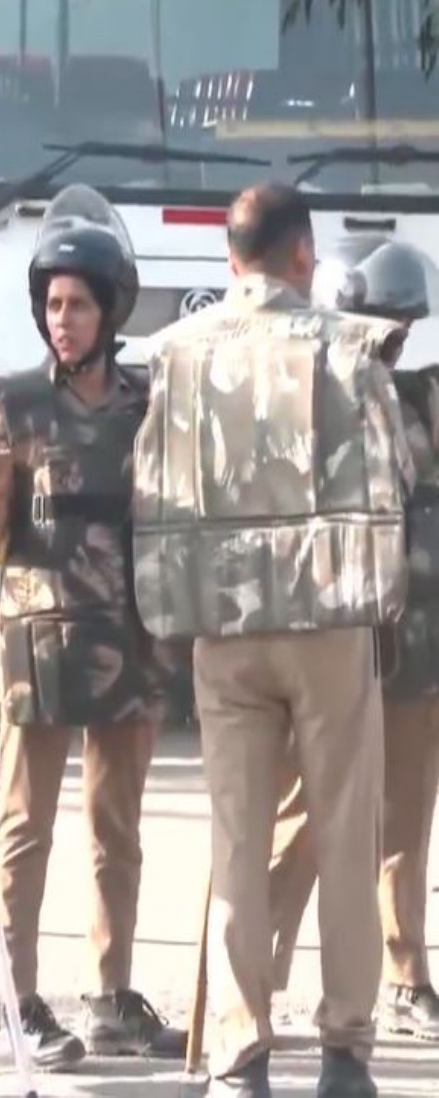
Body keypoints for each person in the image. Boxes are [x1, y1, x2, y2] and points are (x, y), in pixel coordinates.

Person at [131, 182, 414, 1098]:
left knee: (235, 841)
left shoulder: (177, 353)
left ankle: (239, 1054)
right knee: (343, 830)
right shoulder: (350, 346)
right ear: (305, 253)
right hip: (331, 620)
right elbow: (395, 473)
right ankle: (343, 1051)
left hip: (224, 627)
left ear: (229, 258)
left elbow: (150, 481)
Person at [0, 186, 186, 1070]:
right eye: (52, 304)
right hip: (37, 646)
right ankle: (19, 1002)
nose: (63, 320)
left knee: (116, 827)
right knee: (25, 828)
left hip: (127, 638)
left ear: (111, 308)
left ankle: (115, 999)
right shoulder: (14, 406)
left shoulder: (147, 407)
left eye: (78, 304)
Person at [267, 235, 439, 1044]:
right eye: (381, 325)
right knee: (306, 814)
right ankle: (253, 972)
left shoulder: (425, 401)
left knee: (407, 814)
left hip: (418, 640)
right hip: (332, 636)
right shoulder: (309, 405)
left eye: (403, 329)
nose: (392, 341)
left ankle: (405, 976)